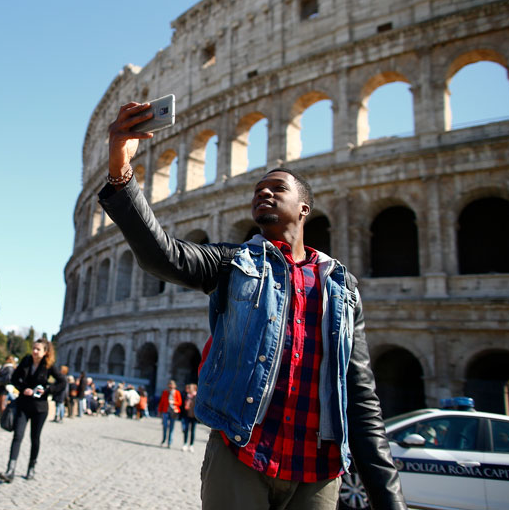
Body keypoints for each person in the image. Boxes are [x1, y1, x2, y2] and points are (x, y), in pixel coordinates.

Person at [98, 102, 406, 509]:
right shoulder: (232, 263)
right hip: (243, 452)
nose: (263, 190)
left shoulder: (340, 286)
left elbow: (360, 395)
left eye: (277, 188)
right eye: (258, 188)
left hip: (317, 471)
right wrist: (121, 168)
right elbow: (162, 255)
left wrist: (389, 499)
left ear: (303, 209)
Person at [0, 338, 66, 483]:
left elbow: (62, 382)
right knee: (17, 436)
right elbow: (14, 378)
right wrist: (24, 389)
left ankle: (31, 467)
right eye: (34, 348)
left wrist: (47, 390)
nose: (34, 351)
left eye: (38, 349)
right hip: (24, 404)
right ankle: (10, 470)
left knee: (35, 438)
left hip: (40, 408)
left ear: (45, 352)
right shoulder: (26, 360)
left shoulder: (49, 365)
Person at [157, 380, 182, 448]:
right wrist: (159, 411)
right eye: (169, 386)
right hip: (165, 411)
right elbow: (161, 402)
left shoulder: (177, 393)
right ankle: (164, 440)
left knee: (171, 428)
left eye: (172, 386)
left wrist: (173, 402)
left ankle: (169, 442)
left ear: (174, 386)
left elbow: (180, 402)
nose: (170, 388)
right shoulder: (165, 392)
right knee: (165, 426)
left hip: (173, 412)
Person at [181, 383, 198, 452]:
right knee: (186, 430)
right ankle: (185, 444)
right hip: (186, 415)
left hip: (194, 416)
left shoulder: (196, 396)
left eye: (190, 388)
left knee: (192, 431)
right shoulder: (186, 395)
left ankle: (191, 445)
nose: (189, 389)